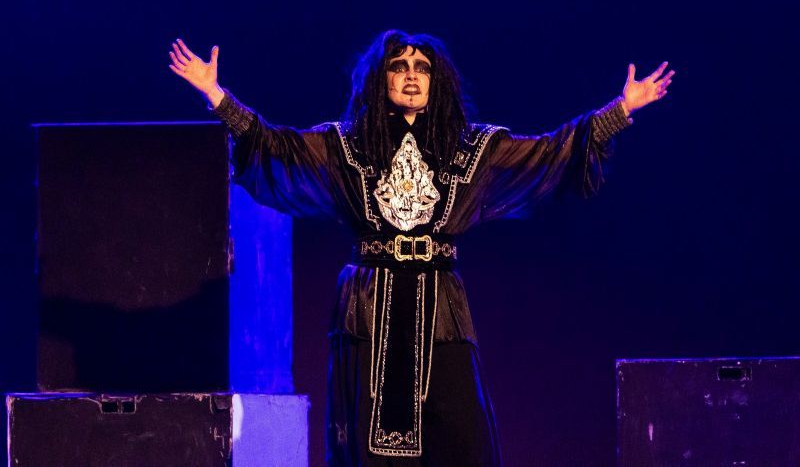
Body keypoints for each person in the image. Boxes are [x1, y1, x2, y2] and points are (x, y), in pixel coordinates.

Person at [168, 30, 674, 466]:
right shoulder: (346, 147)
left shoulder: (471, 149)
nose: (411, 76)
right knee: (368, 440)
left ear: (437, 82)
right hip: (371, 309)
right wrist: (217, 95)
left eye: (422, 68)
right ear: (380, 79)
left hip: (440, 311)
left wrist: (620, 111)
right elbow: (277, 146)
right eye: (399, 66)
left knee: (461, 438)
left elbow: (547, 152)